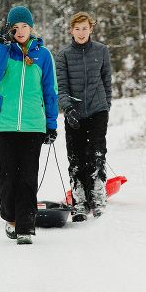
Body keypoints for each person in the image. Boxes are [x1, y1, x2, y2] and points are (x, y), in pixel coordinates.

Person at [0, 6, 58, 245]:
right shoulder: (3, 51)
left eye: (25, 26)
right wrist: (2, 46)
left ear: (31, 27)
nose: (21, 31)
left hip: (33, 125)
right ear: (10, 29)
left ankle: (26, 227)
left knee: (28, 176)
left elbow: (50, 91)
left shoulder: (43, 55)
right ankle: (11, 219)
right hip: (5, 125)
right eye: (15, 27)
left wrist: (51, 124)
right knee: (7, 176)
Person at [55, 12, 112, 221]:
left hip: (97, 111)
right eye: (77, 29)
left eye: (85, 28)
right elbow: (61, 87)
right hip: (74, 114)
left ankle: (97, 198)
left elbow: (107, 82)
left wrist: (106, 106)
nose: (81, 33)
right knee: (76, 158)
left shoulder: (101, 51)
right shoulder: (63, 56)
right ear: (71, 30)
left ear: (91, 29)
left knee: (96, 154)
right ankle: (79, 201)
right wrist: (68, 109)